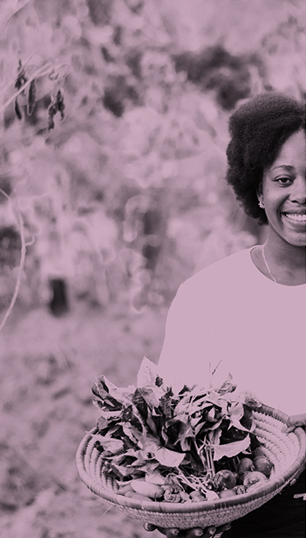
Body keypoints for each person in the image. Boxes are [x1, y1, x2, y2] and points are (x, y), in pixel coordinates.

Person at [146, 92, 306, 538]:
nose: (302, 195)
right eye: (284, 178)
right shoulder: (208, 296)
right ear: (258, 188)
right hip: (248, 519)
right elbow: (174, 425)